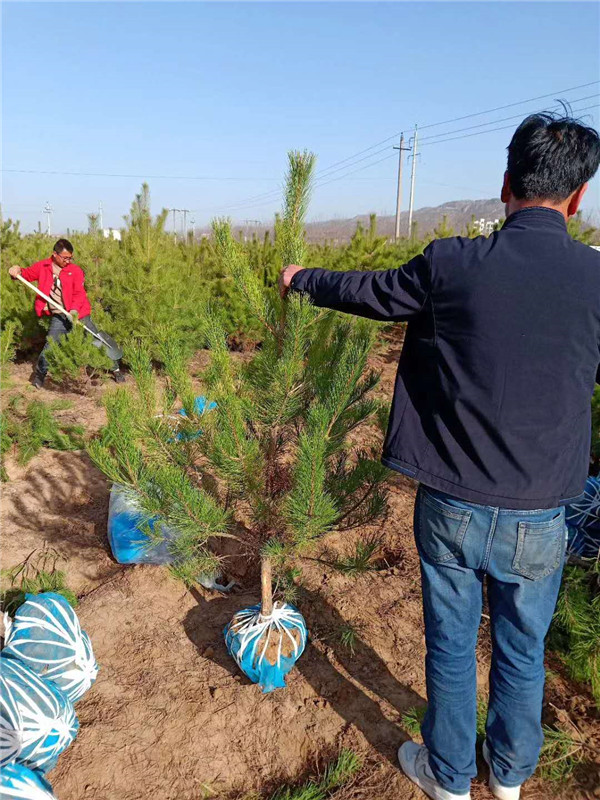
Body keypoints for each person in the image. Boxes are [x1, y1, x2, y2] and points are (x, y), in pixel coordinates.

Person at [279, 112, 600, 800]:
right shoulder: (594, 280)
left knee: (452, 646)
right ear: (578, 199)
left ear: (505, 183)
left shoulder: (454, 263)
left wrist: (303, 276)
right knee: (523, 649)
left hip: (452, 504)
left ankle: (450, 776)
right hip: (540, 512)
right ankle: (509, 778)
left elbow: (371, 292)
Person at [9, 238, 125, 388]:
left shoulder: (75, 271)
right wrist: (16, 270)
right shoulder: (43, 266)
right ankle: (39, 378)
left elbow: (79, 294)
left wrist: (74, 311)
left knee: (97, 341)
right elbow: (26, 274)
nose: (68, 261)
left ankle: (115, 369)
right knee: (51, 345)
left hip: (80, 314)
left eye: (70, 257)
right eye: (65, 258)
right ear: (55, 254)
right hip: (59, 316)